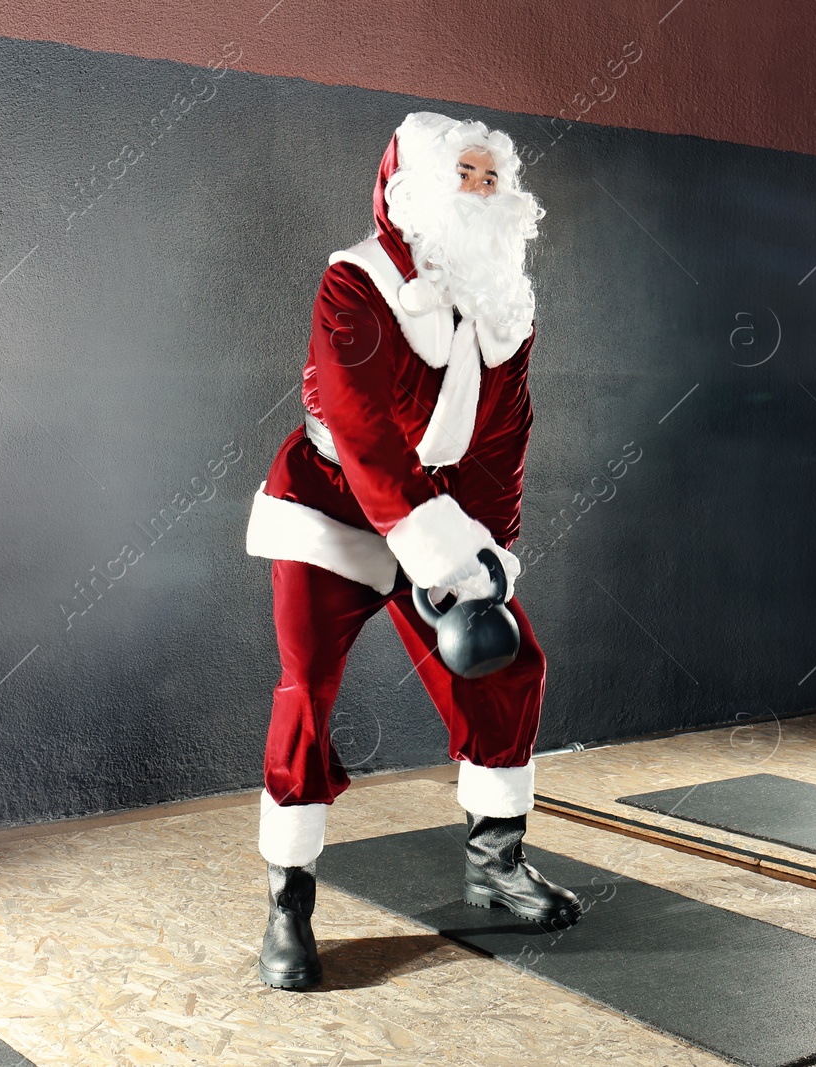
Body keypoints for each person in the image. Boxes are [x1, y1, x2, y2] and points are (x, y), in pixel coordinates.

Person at [244, 111, 581, 990]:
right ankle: (289, 902)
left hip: (438, 512)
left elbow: (502, 439)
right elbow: (361, 434)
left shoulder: (507, 300)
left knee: (510, 663)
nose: (478, 191)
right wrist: (443, 554)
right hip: (332, 502)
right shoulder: (354, 282)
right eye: (461, 176)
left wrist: (490, 560)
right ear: (412, 187)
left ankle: (494, 861)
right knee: (306, 691)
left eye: (489, 179)